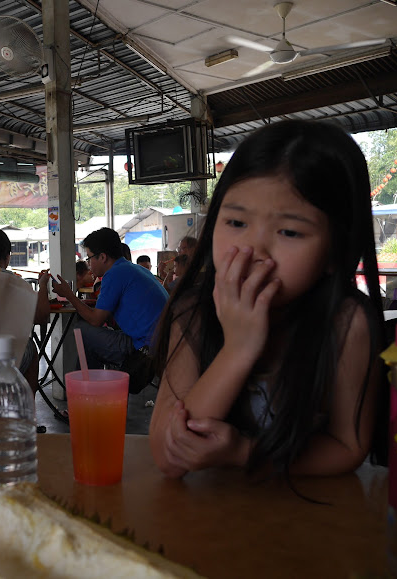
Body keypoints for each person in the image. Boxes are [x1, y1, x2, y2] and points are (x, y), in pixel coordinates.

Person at [149, 120, 385, 480]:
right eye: (236, 223)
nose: (253, 250)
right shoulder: (194, 314)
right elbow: (169, 457)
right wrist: (238, 348)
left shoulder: (346, 323)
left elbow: (347, 446)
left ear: (336, 251)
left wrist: (246, 454)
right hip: (208, 510)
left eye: (289, 231)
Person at [51, 228, 168, 376]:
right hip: (163, 342)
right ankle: (93, 384)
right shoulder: (134, 269)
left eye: (89, 258)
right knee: (92, 343)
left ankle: (87, 385)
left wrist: (69, 295)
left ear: (103, 257)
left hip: (144, 348)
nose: (89, 264)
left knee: (82, 329)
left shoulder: (113, 274)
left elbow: (95, 320)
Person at [0, 227, 51, 393]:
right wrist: (43, 285)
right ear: (7, 256)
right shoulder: (15, 283)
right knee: (29, 347)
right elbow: (41, 317)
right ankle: (27, 405)